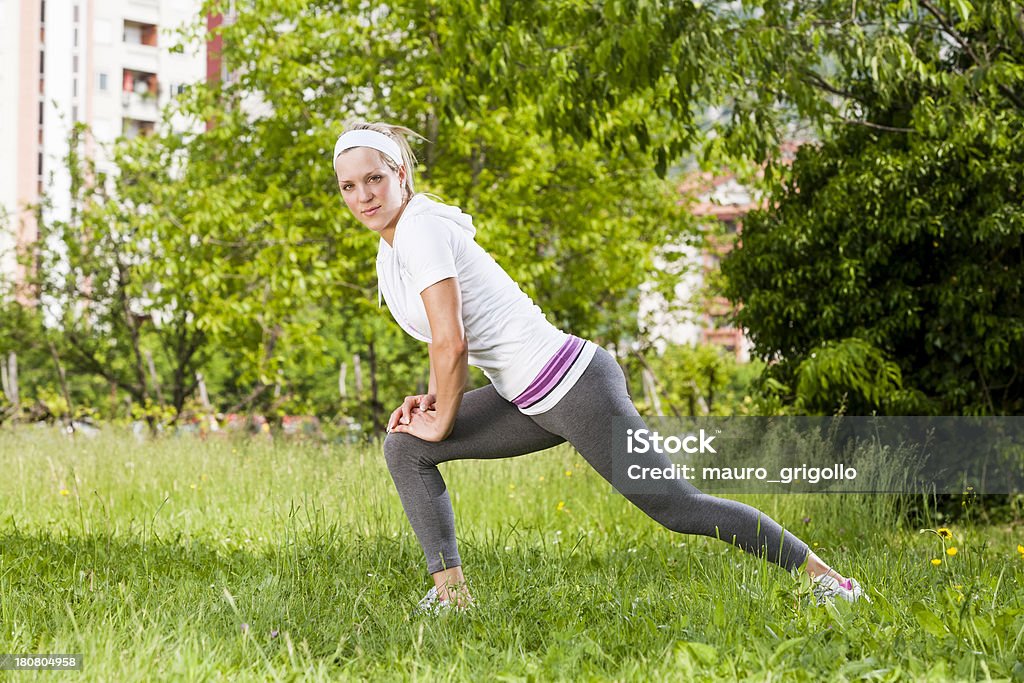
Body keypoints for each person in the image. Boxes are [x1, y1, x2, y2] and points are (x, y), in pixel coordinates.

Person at [332, 120, 868, 611]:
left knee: (677, 508)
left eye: (374, 178)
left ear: (400, 173)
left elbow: (452, 342)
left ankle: (832, 583)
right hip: (527, 396)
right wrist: (431, 402)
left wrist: (443, 418)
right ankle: (453, 597)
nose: (363, 196)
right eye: (348, 186)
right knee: (406, 445)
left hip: (573, 385)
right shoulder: (393, 247)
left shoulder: (421, 229)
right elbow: (444, 340)